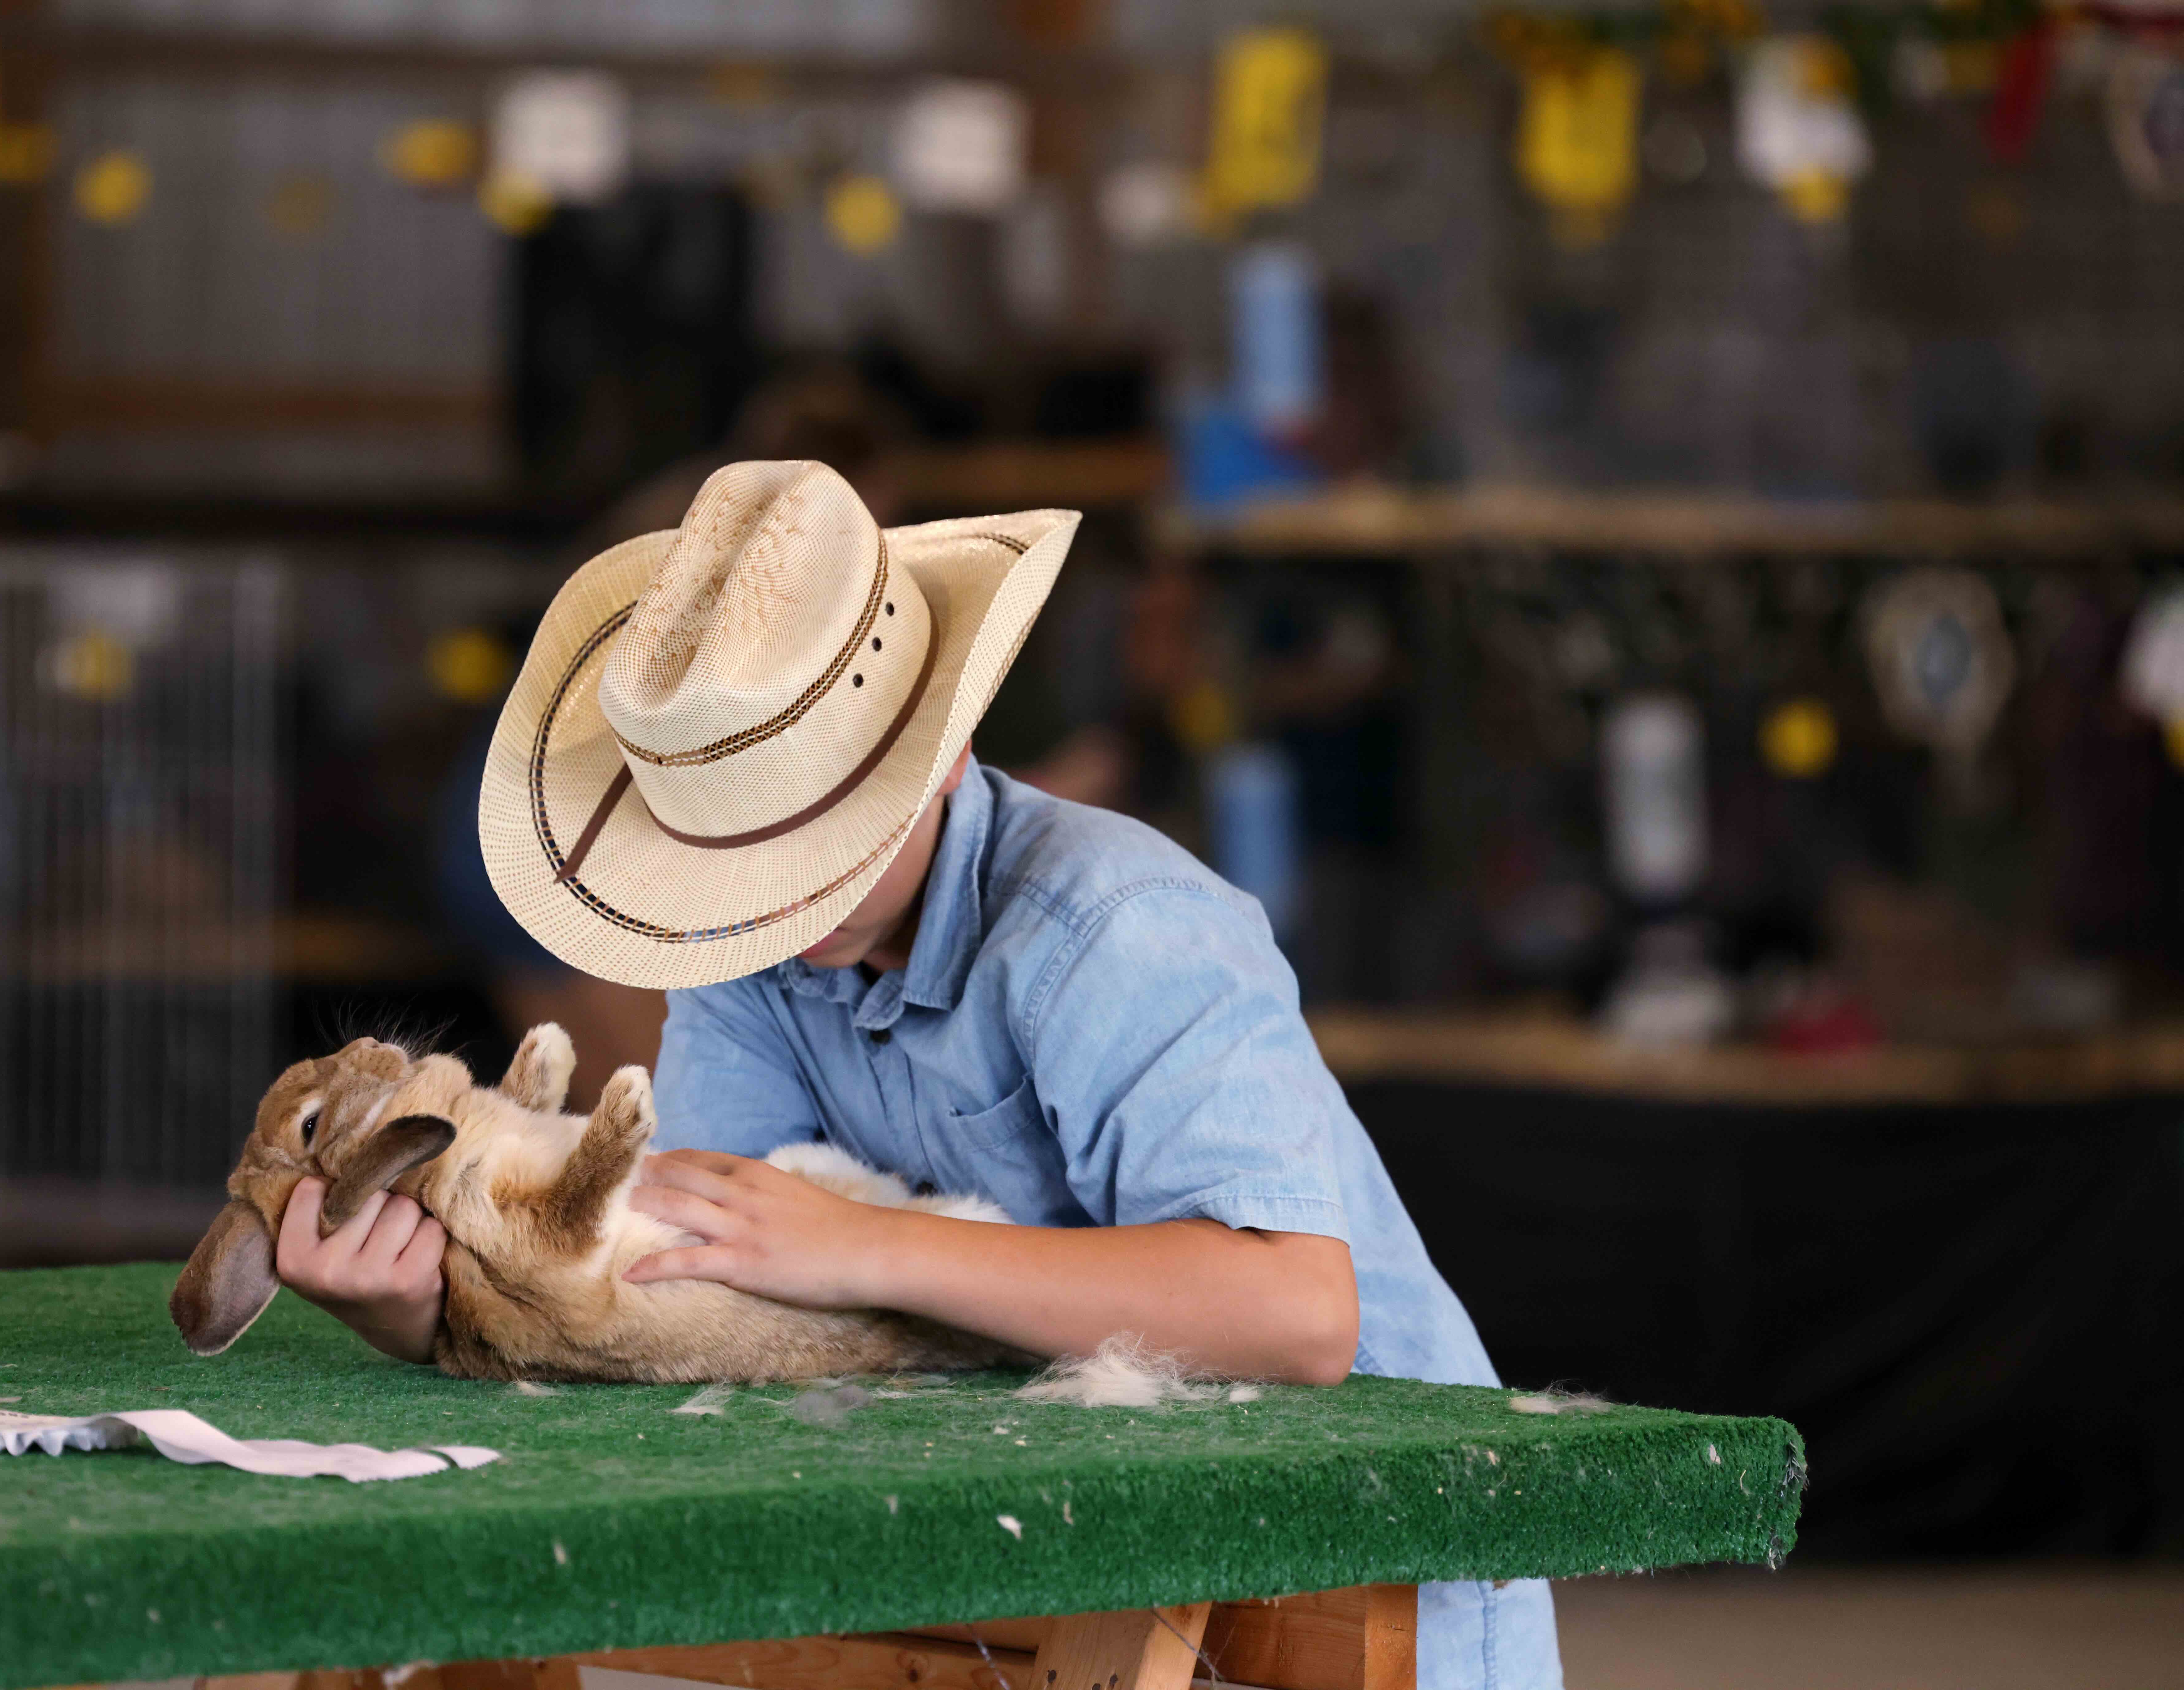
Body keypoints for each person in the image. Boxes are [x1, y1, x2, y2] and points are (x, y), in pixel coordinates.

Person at [275, 460, 1563, 1690]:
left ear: (939, 753)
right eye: (735, 864)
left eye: (818, 843)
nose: (779, 904)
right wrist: (425, 1313)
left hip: (1364, 1535)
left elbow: (1297, 1315)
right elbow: (690, 1270)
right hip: (1073, 1526)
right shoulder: (747, 948)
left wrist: (863, 1247)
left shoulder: (1119, 928)